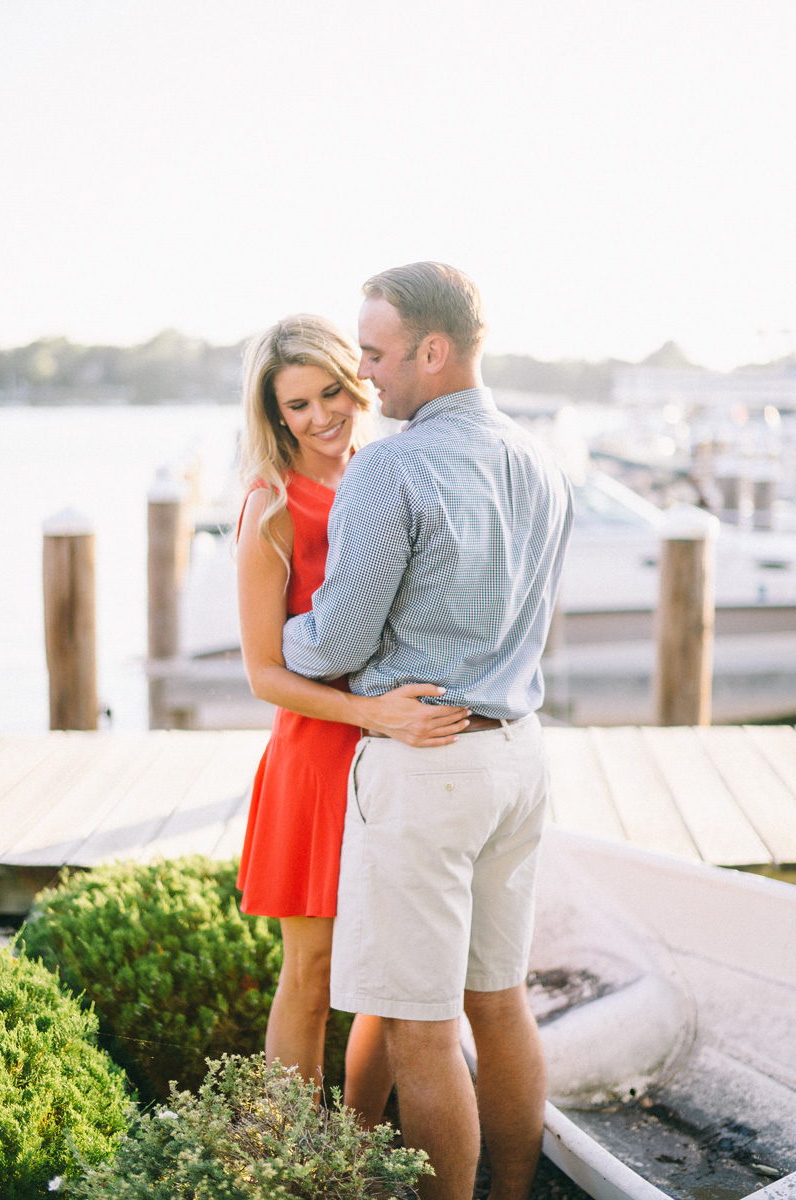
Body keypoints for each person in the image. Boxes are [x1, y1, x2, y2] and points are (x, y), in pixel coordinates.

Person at [282, 264, 574, 1200]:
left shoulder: (392, 466)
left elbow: (334, 642)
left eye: (374, 353)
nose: (364, 377)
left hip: (426, 765)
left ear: (433, 352)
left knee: (417, 1027)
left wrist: (275, 626)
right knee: (498, 1005)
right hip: (520, 757)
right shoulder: (540, 461)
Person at [234, 313, 469, 1127]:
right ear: (275, 416)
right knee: (312, 973)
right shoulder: (268, 504)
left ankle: (358, 1144)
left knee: (384, 974)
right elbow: (265, 674)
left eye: (332, 391)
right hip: (316, 756)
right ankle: (290, 1156)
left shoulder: (383, 473)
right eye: (297, 405)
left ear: (358, 382)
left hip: (394, 754)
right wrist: (371, 713)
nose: (321, 416)